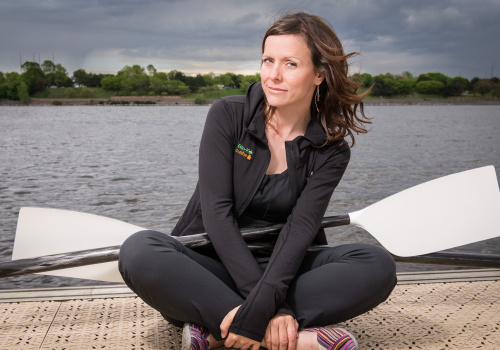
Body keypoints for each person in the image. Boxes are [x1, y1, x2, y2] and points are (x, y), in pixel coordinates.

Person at [119, 12, 396, 350]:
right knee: (139, 250)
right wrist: (272, 308)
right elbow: (217, 215)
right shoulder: (228, 115)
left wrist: (269, 297)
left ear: (320, 74)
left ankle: (218, 331)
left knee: (376, 264)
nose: (274, 75)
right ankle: (286, 336)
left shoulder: (331, 150)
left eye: (290, 64)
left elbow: (299, 231)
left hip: (286, 268)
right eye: (268, 60)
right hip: (212, 263)